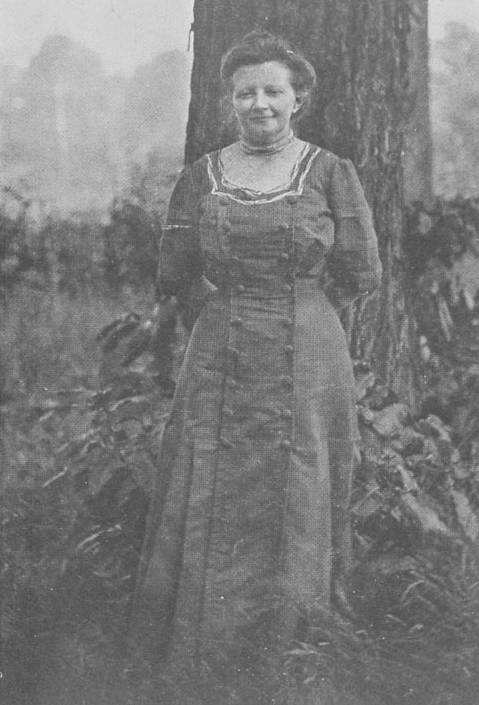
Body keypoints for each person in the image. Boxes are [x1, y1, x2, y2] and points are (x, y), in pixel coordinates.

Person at [129, 30, 382, 705]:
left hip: (309, 351)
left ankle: (295, 647)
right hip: (220, 351)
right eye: (246, 93)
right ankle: (202, 649)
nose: (259, 103)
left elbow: (360, 271)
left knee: (300, 481)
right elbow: (175, 273)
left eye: (273, 90)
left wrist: (301, 312)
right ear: (229, 101)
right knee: (214, 477)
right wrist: (230, 312)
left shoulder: (330, 173)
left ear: (299, 98)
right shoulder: (201, 176)